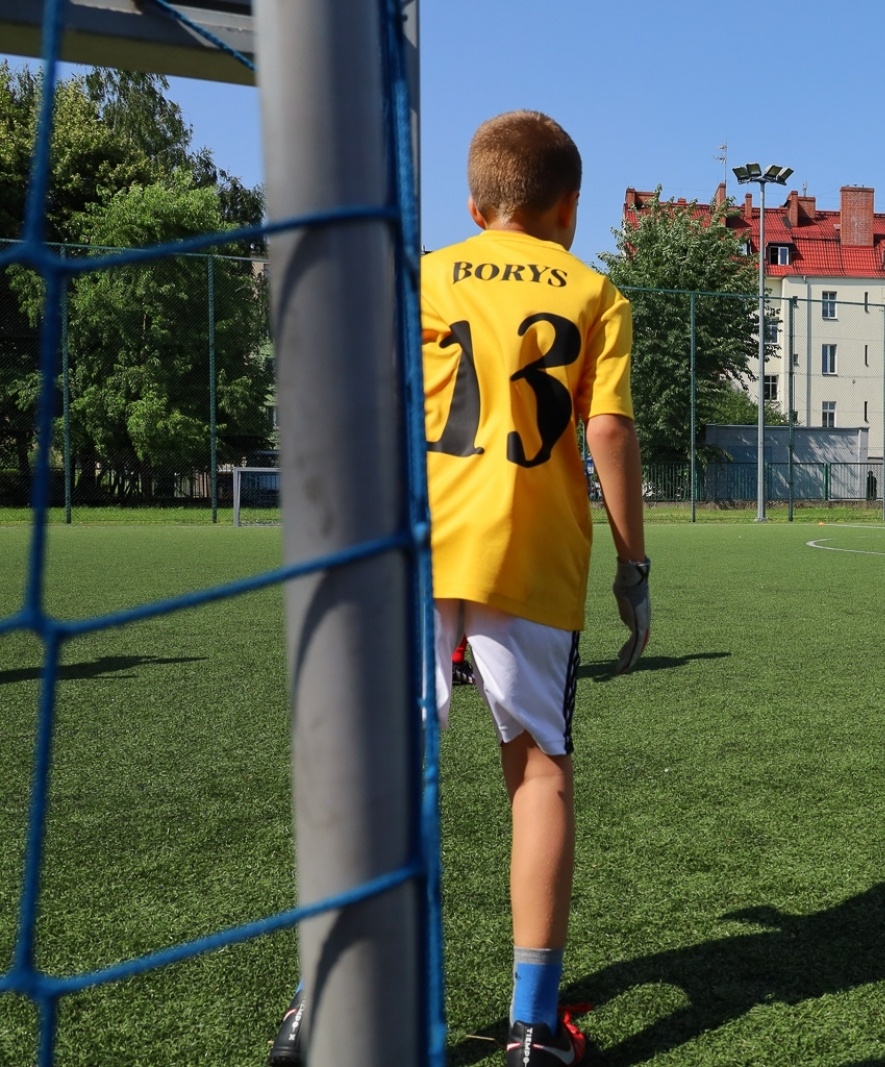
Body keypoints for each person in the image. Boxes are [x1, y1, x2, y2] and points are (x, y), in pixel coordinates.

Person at [268, 110, 647, 1067]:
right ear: (568, 207)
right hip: (530, 547)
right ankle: (532, 1028)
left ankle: (329, 1000)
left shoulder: (423, 274)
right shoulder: (595, 288)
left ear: (476, 204)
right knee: (538, 771)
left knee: (384, 765)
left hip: (411, 543)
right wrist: (634, 566)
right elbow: (606, 433)